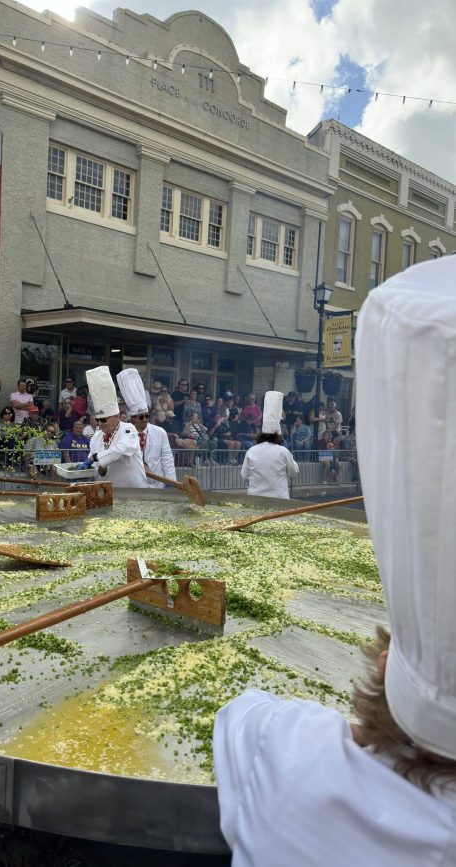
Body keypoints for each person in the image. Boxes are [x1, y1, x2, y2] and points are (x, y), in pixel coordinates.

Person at [214, 256, 456, 867]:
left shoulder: (294, 769)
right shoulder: (283, 455)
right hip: (280, 511)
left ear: (382, 661)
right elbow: (294, 473)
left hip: (253, 509)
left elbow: (241, 716)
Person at [79, 366, 148, 488]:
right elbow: (96, 467)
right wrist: (93, 470)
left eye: (104, 420)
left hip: (135, 492)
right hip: (109, 492)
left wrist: (95, 458)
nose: (100, 424)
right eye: (98, 420)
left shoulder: (129, 429)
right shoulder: (97, 436)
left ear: (116, 416)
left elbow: (121, 450)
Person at [117, 368, 175, 487]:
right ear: (133, 418)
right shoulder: (124, 433)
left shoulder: (159, 432)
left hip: (157, 485)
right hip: (134, 485)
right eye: (141, 417)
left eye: (146, 416)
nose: (144, 419)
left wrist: (171, 482)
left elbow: (167, 459)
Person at [240, 391, 299, 498]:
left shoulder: (252, 450)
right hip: (278, 498)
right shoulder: (283, 451)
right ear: (278, 435)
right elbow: (294, 472)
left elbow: (244, 475)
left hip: (255, 497)